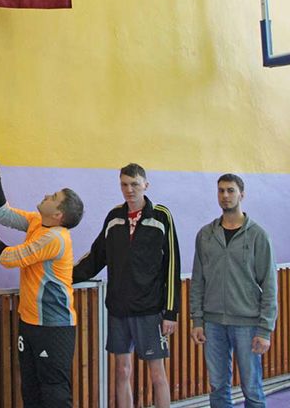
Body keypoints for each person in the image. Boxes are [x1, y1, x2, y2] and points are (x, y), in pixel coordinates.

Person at [0, 153, 84, 408]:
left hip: (54, 327)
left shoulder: (55, 238)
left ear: (58, 214)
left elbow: (10, 257)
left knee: (55, 395)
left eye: (53, 197)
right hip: (30, 322)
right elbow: (2, 213)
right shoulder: (37, 221)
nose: (47, 195)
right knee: (31, 391)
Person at [73, 163, 180, 408]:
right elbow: (96, 256)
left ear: (145, 185)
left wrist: (171, 312)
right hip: (119, 309)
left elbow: (172, 265)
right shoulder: (114, 217)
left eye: (134, 184)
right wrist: (63, 275)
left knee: (157, 374)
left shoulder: (161, 216)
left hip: (150, 310)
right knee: (122, 371)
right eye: (124, 184)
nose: (129, 189)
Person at [190, 174, 277, 408]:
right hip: (213, 324)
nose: (225, 195)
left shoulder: (258, 235)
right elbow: (198, 281)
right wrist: (197, 320)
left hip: (247, 324)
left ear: (242, 195)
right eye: (221, 191)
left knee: (252, 388)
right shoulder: (205, 235)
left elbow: (269, 285)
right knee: (217, 387)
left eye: (230, 190)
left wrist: (265, 329)